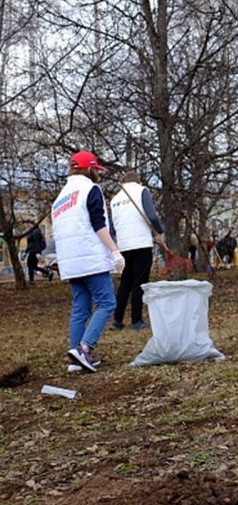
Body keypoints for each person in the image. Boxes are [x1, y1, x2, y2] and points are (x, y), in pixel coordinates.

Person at [51, 150, 125, 373]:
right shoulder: (90, 189)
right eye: (96, 169)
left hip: (70, 261)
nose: (98, 174)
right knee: (107, 303)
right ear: (89, 169)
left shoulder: (60, 198)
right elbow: (98, 224)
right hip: (90, 257)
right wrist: (114, 251)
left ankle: (76, 357)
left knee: (80, 308)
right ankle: (84, 348)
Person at [109, 170, 164, 330]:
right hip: (141, 242)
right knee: (140, 282)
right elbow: (152, 216)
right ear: (138, 181)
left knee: (126, 282)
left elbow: (112, 227)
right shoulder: (142, 191)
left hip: (124, 245)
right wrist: (159, 231)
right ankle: (136, 320)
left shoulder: (115, 199)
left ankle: (117, 319)